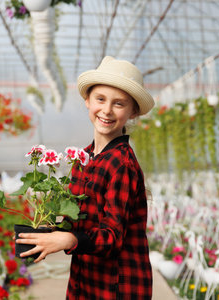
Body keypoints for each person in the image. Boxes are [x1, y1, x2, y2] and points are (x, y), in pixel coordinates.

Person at [16, 56, 155, 299]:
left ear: (133, 112)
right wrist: (53, 231)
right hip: (85, 278)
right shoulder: (84, 158)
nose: (107, 110)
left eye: (119, 104)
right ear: (87, 101)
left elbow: (111, 237)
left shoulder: (121, 163)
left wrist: (68, 239)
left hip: (118, 285)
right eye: (100, 99)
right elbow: (82, 220)